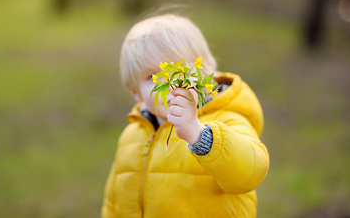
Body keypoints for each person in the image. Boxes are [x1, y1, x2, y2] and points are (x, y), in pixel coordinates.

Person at [101, 14, 269, 217]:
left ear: (206, 73)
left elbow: (250, 173)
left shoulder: (227, 118)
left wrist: (200, 135)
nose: (170, 84)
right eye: (152, 77)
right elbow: (114, 203)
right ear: (134, 91)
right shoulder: (132, 136)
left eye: (179, 70)